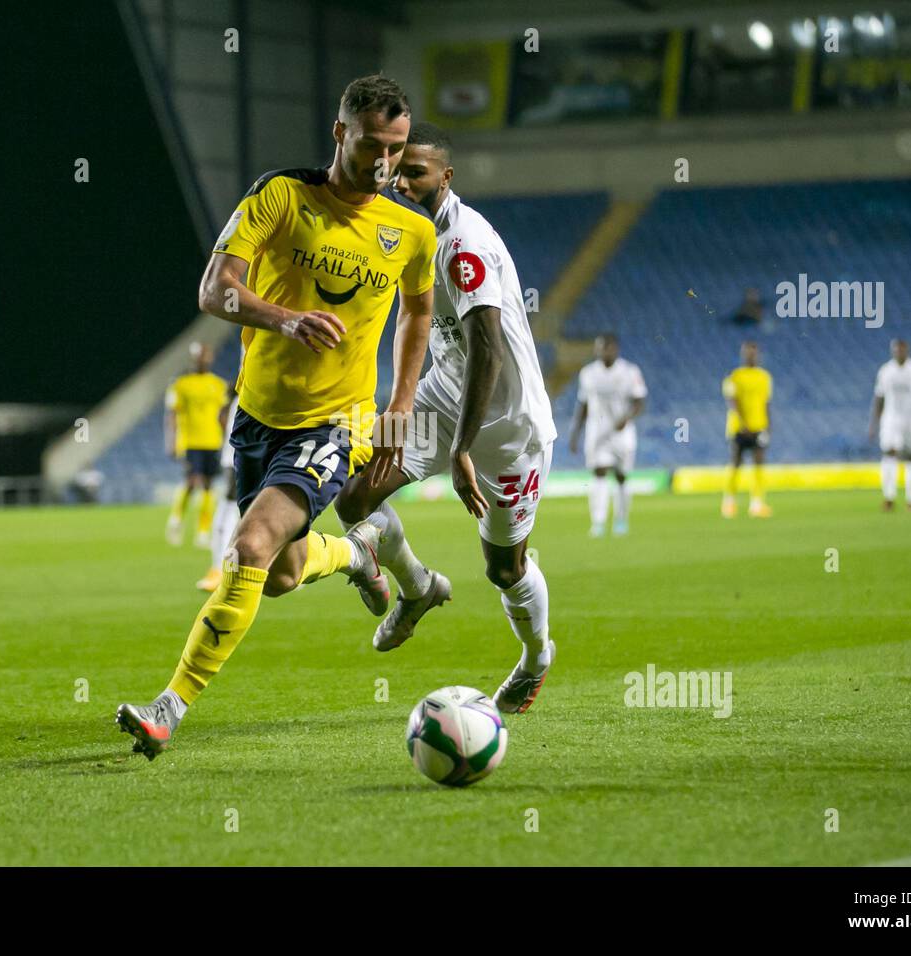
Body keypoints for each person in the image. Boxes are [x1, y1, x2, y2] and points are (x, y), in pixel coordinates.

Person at [115, 74, 437, 757]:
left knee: (251, 548)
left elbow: (418, 311)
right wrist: (284, 319)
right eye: (372, 146)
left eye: (398, 150)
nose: (384, 164)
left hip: (340, 422)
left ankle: (168, 708)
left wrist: (401, 403)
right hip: (259, 416)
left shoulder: (410, 230)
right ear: (339, 132)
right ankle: (358, 553)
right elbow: (214, 290)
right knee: (283, 574)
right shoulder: (281, 196)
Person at [334, 122, 558, 715]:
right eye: (395, 170)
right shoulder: (399, 233)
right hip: (438, 397)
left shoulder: (462, 244)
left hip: (507, 425)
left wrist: (461, 450)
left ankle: (536, 658)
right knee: (354, 496)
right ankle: (418, 587)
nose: (402, 183)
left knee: (504, 568)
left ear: (445, 177)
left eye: (417, 173)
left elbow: (488, 346)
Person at [570, 333, 646, 536]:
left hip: (622, 433)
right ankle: (598, 522)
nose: (603, 351)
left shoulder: (630, 371)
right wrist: (575, 433)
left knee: (621, 476)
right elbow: (584, 404)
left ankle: (621, 520)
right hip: (597, 432)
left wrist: (627, 417)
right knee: (599, 472)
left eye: (607, 347)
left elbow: (639, 401)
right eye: (600, 348)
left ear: (615, 349)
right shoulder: (588, 373)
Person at [164, 343, 230, 547]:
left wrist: (227, 438)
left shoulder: (218, 385)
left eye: (206, 356)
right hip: (190, 441)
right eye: (200, 356)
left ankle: (203, 532)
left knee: (209, 486)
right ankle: (175, 520)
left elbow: (223, 415)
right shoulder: (181, 385)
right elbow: (172, 414)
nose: (203, 360)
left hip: (212, 441)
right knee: (192, 482)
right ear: (193, 359)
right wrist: (171, 441)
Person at [870, 339, 911, 511]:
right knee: (889, 454)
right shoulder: (885, 371)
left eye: (902, 350)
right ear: (892, 351)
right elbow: (879, 398)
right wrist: (873, 424)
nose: (899, 353)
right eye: (896, 350)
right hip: (891, 419)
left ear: (907, 351)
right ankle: (889, 497)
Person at [721, 341, 772, 518]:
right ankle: (729, 502)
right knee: (736, 463)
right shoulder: (734, 376)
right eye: (748, 353)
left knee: (759, 463)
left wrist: (768, 426)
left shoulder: (764, 377)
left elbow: (766, 403)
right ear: (743, 355)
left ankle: (757, 504)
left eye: (754, 353)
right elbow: (732, 401)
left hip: (758, 426)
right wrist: (743, 423)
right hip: (739, 428)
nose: (751, 356)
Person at [197, 395, 241, 590]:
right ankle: (219, 569)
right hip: (237, 457)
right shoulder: (244, 396)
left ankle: (222, 569)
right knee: (230, 507)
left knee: (237, 510)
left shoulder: (245, 394)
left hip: (245, 456)